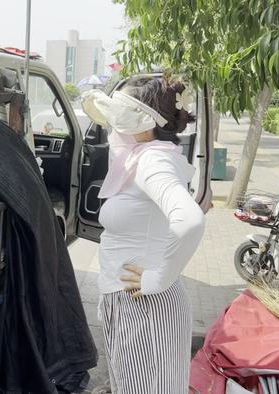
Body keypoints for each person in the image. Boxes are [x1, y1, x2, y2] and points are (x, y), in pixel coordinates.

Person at [81, 76, 206, 393]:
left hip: (146, 305)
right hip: (133, 303)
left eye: (120, 116)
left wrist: (158, 279)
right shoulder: (141, 155)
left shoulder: (152, 158)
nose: (113, 126)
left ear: (145, 122)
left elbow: (189, 219)